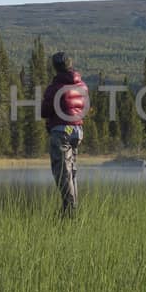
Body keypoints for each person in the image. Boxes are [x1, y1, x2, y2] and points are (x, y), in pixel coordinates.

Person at [40, 51, 87, 213]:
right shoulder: (82, 86)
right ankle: (72, 208)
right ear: (70, 65)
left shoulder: (55, 88)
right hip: (76, 130)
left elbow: (44, 111)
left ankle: (69, 210)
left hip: (62, 130)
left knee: (62, 173)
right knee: (71, 171)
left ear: (55, 67)